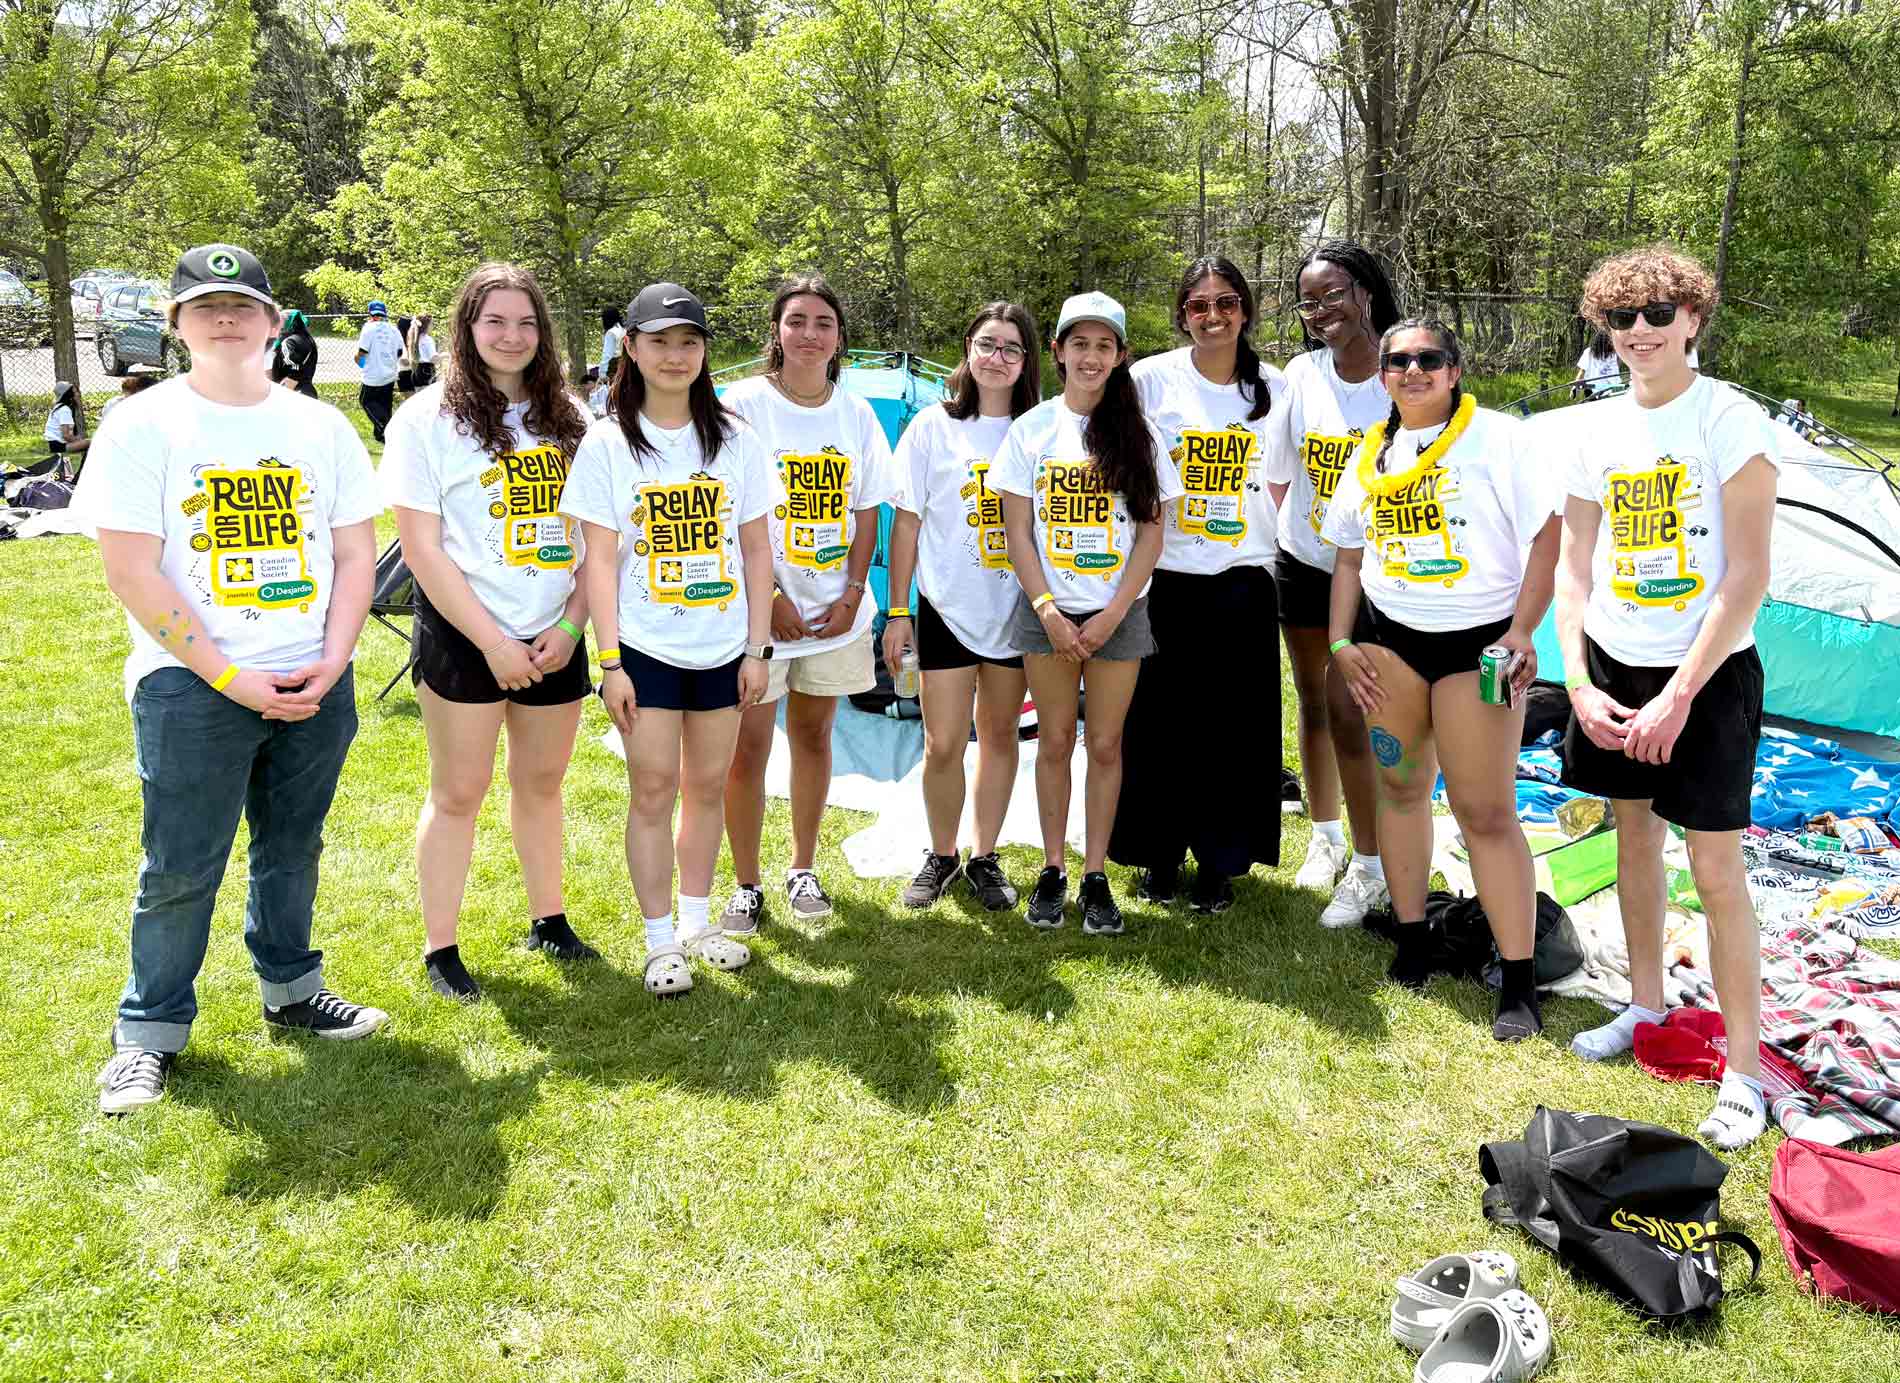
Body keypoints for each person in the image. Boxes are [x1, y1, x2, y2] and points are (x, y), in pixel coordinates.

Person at [72, 243, 388, 1116]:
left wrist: (336, 653)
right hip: (190, 685)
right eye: (205, 305)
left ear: (270, 318)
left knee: (292, 850)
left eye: (241, 304)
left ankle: (291, 989)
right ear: (176, 324)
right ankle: (148, 1033)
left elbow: (357, 550)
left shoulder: (318, 426)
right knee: (180, 865)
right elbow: (133, 568)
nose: (224, 317)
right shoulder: (143, 425)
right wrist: (228, 674)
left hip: (316, 676)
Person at [1556, 244, 1778, 1149]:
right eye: (1622, 319)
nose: (1639, 333)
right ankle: (1644, 1005)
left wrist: (1680, 696)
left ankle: (1744, 1072)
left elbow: (1749, 576)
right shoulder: (1593, 430)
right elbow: (1574, 570)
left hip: (1709, 674)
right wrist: (1576, 678)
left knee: (1717, 871)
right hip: (1613, 666)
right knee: (1634, 841)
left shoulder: (1730, 419)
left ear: (1692, 319)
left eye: (1657, 315)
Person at [1323, 319, 1560, 1041]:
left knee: (1485, 810)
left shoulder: (1499, 439)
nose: (1413, 370)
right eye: (1399, 361)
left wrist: (1522, 631)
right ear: (1383, 375)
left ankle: (1517, 980)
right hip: (1392, 647)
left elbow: (1547, 536)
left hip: (1476, 649)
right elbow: (1349, 558)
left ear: (1455, 370)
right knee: (1400, 790)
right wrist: (1339, 641)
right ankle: (1412, 939)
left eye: (1429, 359)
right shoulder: (1373, 453)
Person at [382, 263, 598, 1002]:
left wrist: (572, 625)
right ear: (466, 328)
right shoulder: (424, 420)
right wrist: (494, 643)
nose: (512, 335)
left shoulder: (572, 416)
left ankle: (550, 919)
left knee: (541, 784)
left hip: (556, 634)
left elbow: (598, 541)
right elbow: (421, 548)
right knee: (459, 791)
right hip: (465, 633)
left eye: (527, 322)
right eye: (495, 320)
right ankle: (441, 947)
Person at [561, 283, 776, 996]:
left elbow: (755, 551)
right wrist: (610, 662)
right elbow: (597, 559)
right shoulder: (607, 443)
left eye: (688, 341)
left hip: (723, 650)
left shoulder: (736, 438)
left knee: (707, 786)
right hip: (645, 649)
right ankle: (659, 942)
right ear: (631, 348)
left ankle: (695, 922)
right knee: (652, 788)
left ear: (705, 350)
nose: (674, 355)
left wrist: (756, 648)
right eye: (658, 341)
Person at [995, 291, 1183, 935]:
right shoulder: (1033, 429)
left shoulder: (1141, 435)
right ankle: (1052, 868)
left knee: (1104, 745)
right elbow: (1017, 531)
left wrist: (1111, 615)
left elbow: (1153, 534)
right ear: (1059, 351)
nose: (1092, 356)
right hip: (1046, 614)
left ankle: (1095, 873)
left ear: (1121, 355)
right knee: (1052, 742)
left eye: (1105, 345)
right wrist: (1048, 610)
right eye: (1080, 343)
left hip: (1117, 617)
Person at [1108, 257, 1289, 914]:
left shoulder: (1274, 387)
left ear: (1245, 309)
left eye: (1226, 303)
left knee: (1231, 730)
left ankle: (1220, 859)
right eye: (1199, 305)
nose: (1213, 316)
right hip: (1164, 578)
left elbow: (1284, 477)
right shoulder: (1150, 379)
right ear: (1182, 313)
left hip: (1242, 579)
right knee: (1155, 726)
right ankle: (1158, 853)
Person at [718, 274, 898, 932]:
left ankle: (802, 866)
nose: (809, 333)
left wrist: (856, 593)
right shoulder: (741, 406)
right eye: (796, 321)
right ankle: (745, 882)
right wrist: (765, 595)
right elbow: (722, 507)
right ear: (776, 332)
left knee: (816, 737)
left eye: (823, 322)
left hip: (832, 615)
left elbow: (868, 506)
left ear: (839, 338)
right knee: (747, 748)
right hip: (756, 615)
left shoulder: (854, 414)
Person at [881, 303, 1041, 911]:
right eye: (987, 344)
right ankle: (941, 854)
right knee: (943, 743)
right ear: (968, 350)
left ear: (1026, 360)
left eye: (1011, 348)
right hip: (946, 607)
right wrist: (898, 611)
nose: (997, 358)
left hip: (1019, 609)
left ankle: (984, 856)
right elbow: (908, 523)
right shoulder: (932, 426)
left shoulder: (1038, 429)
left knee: (1000, 738)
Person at [1272, 240, 1402, 927]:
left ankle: (1371, 863)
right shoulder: (1300, 373)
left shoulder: (1404, 368)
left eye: (1335, 293)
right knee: (1314, 702)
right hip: (1303, 558)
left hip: (1378, 574)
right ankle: (1324, 836)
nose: (1324, 310)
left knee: (1354, 710)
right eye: (1310, 299)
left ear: (1367, 292)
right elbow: (1279, 470)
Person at [355, 299, 403, 442]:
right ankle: (380, 435)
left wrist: (359, 361)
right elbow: (400, 351)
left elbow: (362, 352)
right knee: (384, 403)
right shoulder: (394, 329)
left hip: (373, 375)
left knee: (365, 401)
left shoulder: (368, 328)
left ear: (370, 314)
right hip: (389, 372)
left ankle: (386, 428)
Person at [44, 380, 90, 477]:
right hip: (58, 445)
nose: (78, 394)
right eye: (75, 392)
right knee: (91, 443)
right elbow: (66, 435)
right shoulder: (64, 410)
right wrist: (79, 440)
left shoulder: (61, 407)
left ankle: (82, 475)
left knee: (89, 444)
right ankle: (80, 476)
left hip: (56, 444)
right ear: (69, 395)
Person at [271, 309, 320, 397]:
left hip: (294, 393)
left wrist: (283, 393)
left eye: (279, 321)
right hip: (308, 391)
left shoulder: (289, 341)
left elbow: (295, 370)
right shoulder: (308, 338)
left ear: (288, 322)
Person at [1572, 329, 1621, 400]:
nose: (1611, 343)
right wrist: (1575, 388)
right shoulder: (1589, 352)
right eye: (1609, 340)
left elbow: (1615, 369)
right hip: (1592, 390)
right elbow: (1582, 372)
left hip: (1611, 389)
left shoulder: (1613, 354)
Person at [410, 313, 437, 388]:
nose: (432, 326)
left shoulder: (413, 339)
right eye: (432, 324)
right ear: (427, 325)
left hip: (416, 372)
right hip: (427, 372)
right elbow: (433, 358)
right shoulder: (427, 339)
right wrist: (445, 355)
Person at [599, 305, 626, 379]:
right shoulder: (624, 330)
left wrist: (602, 373)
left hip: (614, 367)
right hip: (626, 365)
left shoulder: (611, 333)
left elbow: (607, 354)